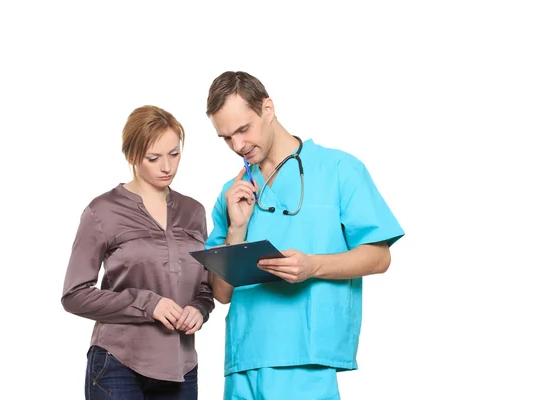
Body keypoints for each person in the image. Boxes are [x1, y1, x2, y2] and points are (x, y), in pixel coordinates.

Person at [205, 71, 405, 400]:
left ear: (267, 109)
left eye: (243, 129)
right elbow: (222, 293)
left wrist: (312, 266)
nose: (238, 145)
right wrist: (237, 228)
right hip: (243, 359)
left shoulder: (339, 169)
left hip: (305, 358)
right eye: (226, 138)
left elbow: (380, 256)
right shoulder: (233, 192)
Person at [61, 105, 214, 400]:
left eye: (175, 154)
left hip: (182, 366)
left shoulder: (194, 211)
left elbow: (205, 286)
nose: (167, 166)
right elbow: (74, 295)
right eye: (153, 158)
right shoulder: (102, 211)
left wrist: (199, 309)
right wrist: (147, 304)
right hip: (118, 363)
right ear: (131, 156)